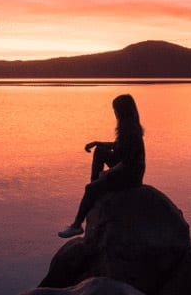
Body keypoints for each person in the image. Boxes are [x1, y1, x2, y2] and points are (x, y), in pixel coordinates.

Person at [57, 94, 145, 238]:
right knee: (100, 151)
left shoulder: (132, 132)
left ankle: (77, 225)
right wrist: (97, 143)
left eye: (116, 110)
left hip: (131, 177)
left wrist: (109, 173)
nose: (115, 113)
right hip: (126, 169)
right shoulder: (127, 128)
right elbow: (119, 147)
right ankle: (95, 187)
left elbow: (129, 161)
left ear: (123, 111)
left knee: (90, 189)